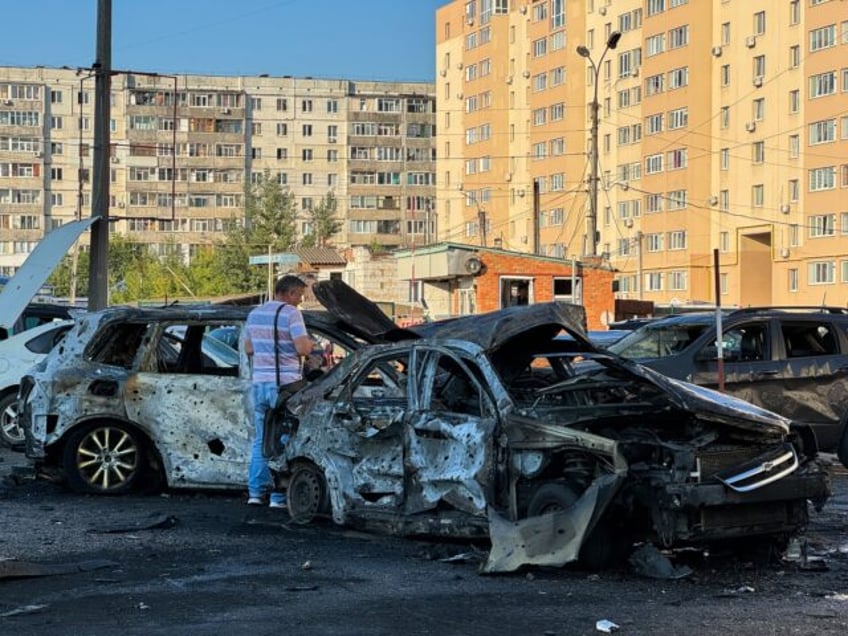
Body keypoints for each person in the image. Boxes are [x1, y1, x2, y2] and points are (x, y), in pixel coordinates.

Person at [244, 275, 314, 508]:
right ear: (291, 293)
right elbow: (302, 347)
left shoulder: (254, 314)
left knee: (261, 439)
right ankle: (278, 496)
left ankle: (255, 493)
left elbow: (249, 348)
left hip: (260, 384)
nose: (300, 301)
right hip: (285, 386)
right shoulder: (291, 314)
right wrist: (312, 347)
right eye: (300, 296)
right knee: (284, 440)